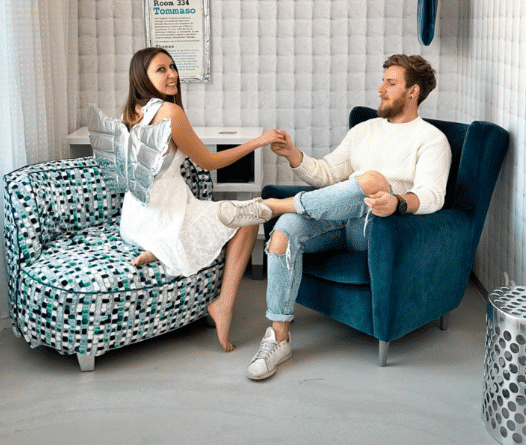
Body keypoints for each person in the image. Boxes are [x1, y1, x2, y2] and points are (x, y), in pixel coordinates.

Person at [215, 54, 452, 380]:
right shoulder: (365, 129)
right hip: (339, 218)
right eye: (383, 81)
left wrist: (396, 201)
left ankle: (273, 204)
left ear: (413, 91)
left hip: (379, 228)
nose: (380, 88)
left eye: (391, 83)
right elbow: (328, 173)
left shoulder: (431, 139)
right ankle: (279, 338)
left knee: (370, 181)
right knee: (284, 233)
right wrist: (293, 155)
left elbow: (432, 196)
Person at [117, 47, 284, 352]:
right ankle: (221, 303)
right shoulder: (170, 113)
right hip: (164, 217)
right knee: (250, 216)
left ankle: (170, 255)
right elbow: (208, 162)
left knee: (243, 221)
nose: (172, 75)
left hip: (134, 219)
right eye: (161, 70)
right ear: (142, 76)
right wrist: (258, 141)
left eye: (172, 66)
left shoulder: (132, 114)